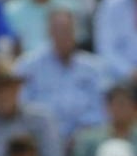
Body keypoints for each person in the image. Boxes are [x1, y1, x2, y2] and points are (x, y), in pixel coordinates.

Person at [16, 8, 109, 143]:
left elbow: (102, 109)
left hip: (86, 138)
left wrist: (83, 133)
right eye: (58, 31)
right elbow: (23, 108)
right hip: (41, 138)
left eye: (67, 31)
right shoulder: (28, 66)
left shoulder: (94, 67)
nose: (63, 36)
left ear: (76, 32)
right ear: (48, 33)